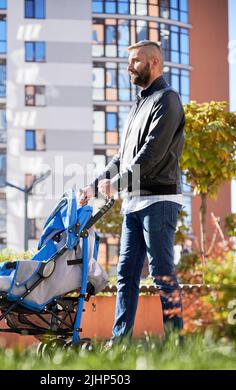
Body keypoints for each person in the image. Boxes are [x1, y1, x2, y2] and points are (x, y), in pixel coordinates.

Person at [79, 40, 185, 342]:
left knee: (162, 274)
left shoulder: (168, 100)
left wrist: (120, 183)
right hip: (133, 205)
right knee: (125, 275)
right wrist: (95, 185)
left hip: (159, 201)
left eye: (135, 61)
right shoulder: (138, 105)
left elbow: (152, 153)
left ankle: (177, 342)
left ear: (154, 63)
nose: (129, 67)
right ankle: (120, 341)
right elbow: (121, 158)